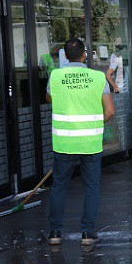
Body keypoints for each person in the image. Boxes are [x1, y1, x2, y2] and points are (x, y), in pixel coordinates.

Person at [46, 38, 115, 246]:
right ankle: (87, 233)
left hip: (64, 144)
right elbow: (110, 111)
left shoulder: (56, 76)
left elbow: (50, 99)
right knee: (91, 187)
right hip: (90, 143)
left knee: (59, 187)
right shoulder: (97, 78)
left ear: (65, 56)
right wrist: (94, 123)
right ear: (85, 55)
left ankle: (55, 233)